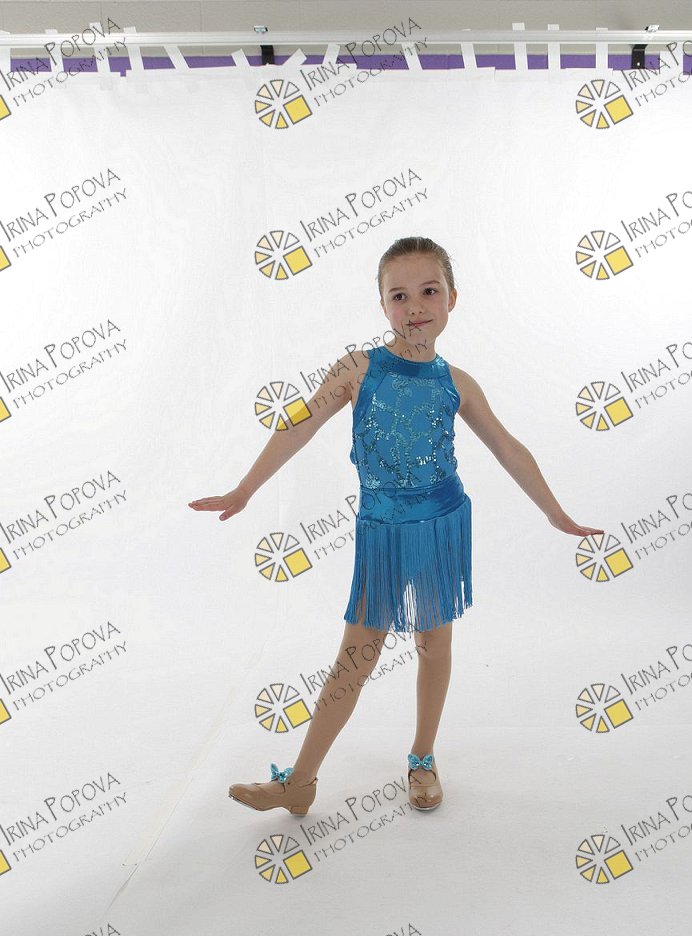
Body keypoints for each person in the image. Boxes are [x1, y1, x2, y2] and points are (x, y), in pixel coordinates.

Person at [188, 235, 604, 816]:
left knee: (434, 644)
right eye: (399, 295)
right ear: (382, 305)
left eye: (429, 291)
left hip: (441, 525)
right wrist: (245, 488)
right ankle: (300, 782)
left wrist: (555, 513)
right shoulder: (358, 369)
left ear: (452, 298)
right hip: (382, 530)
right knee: (356, 657)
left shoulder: (457, 382)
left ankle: (423, 757)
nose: (415, 307)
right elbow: (298, 425)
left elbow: (509, 448)